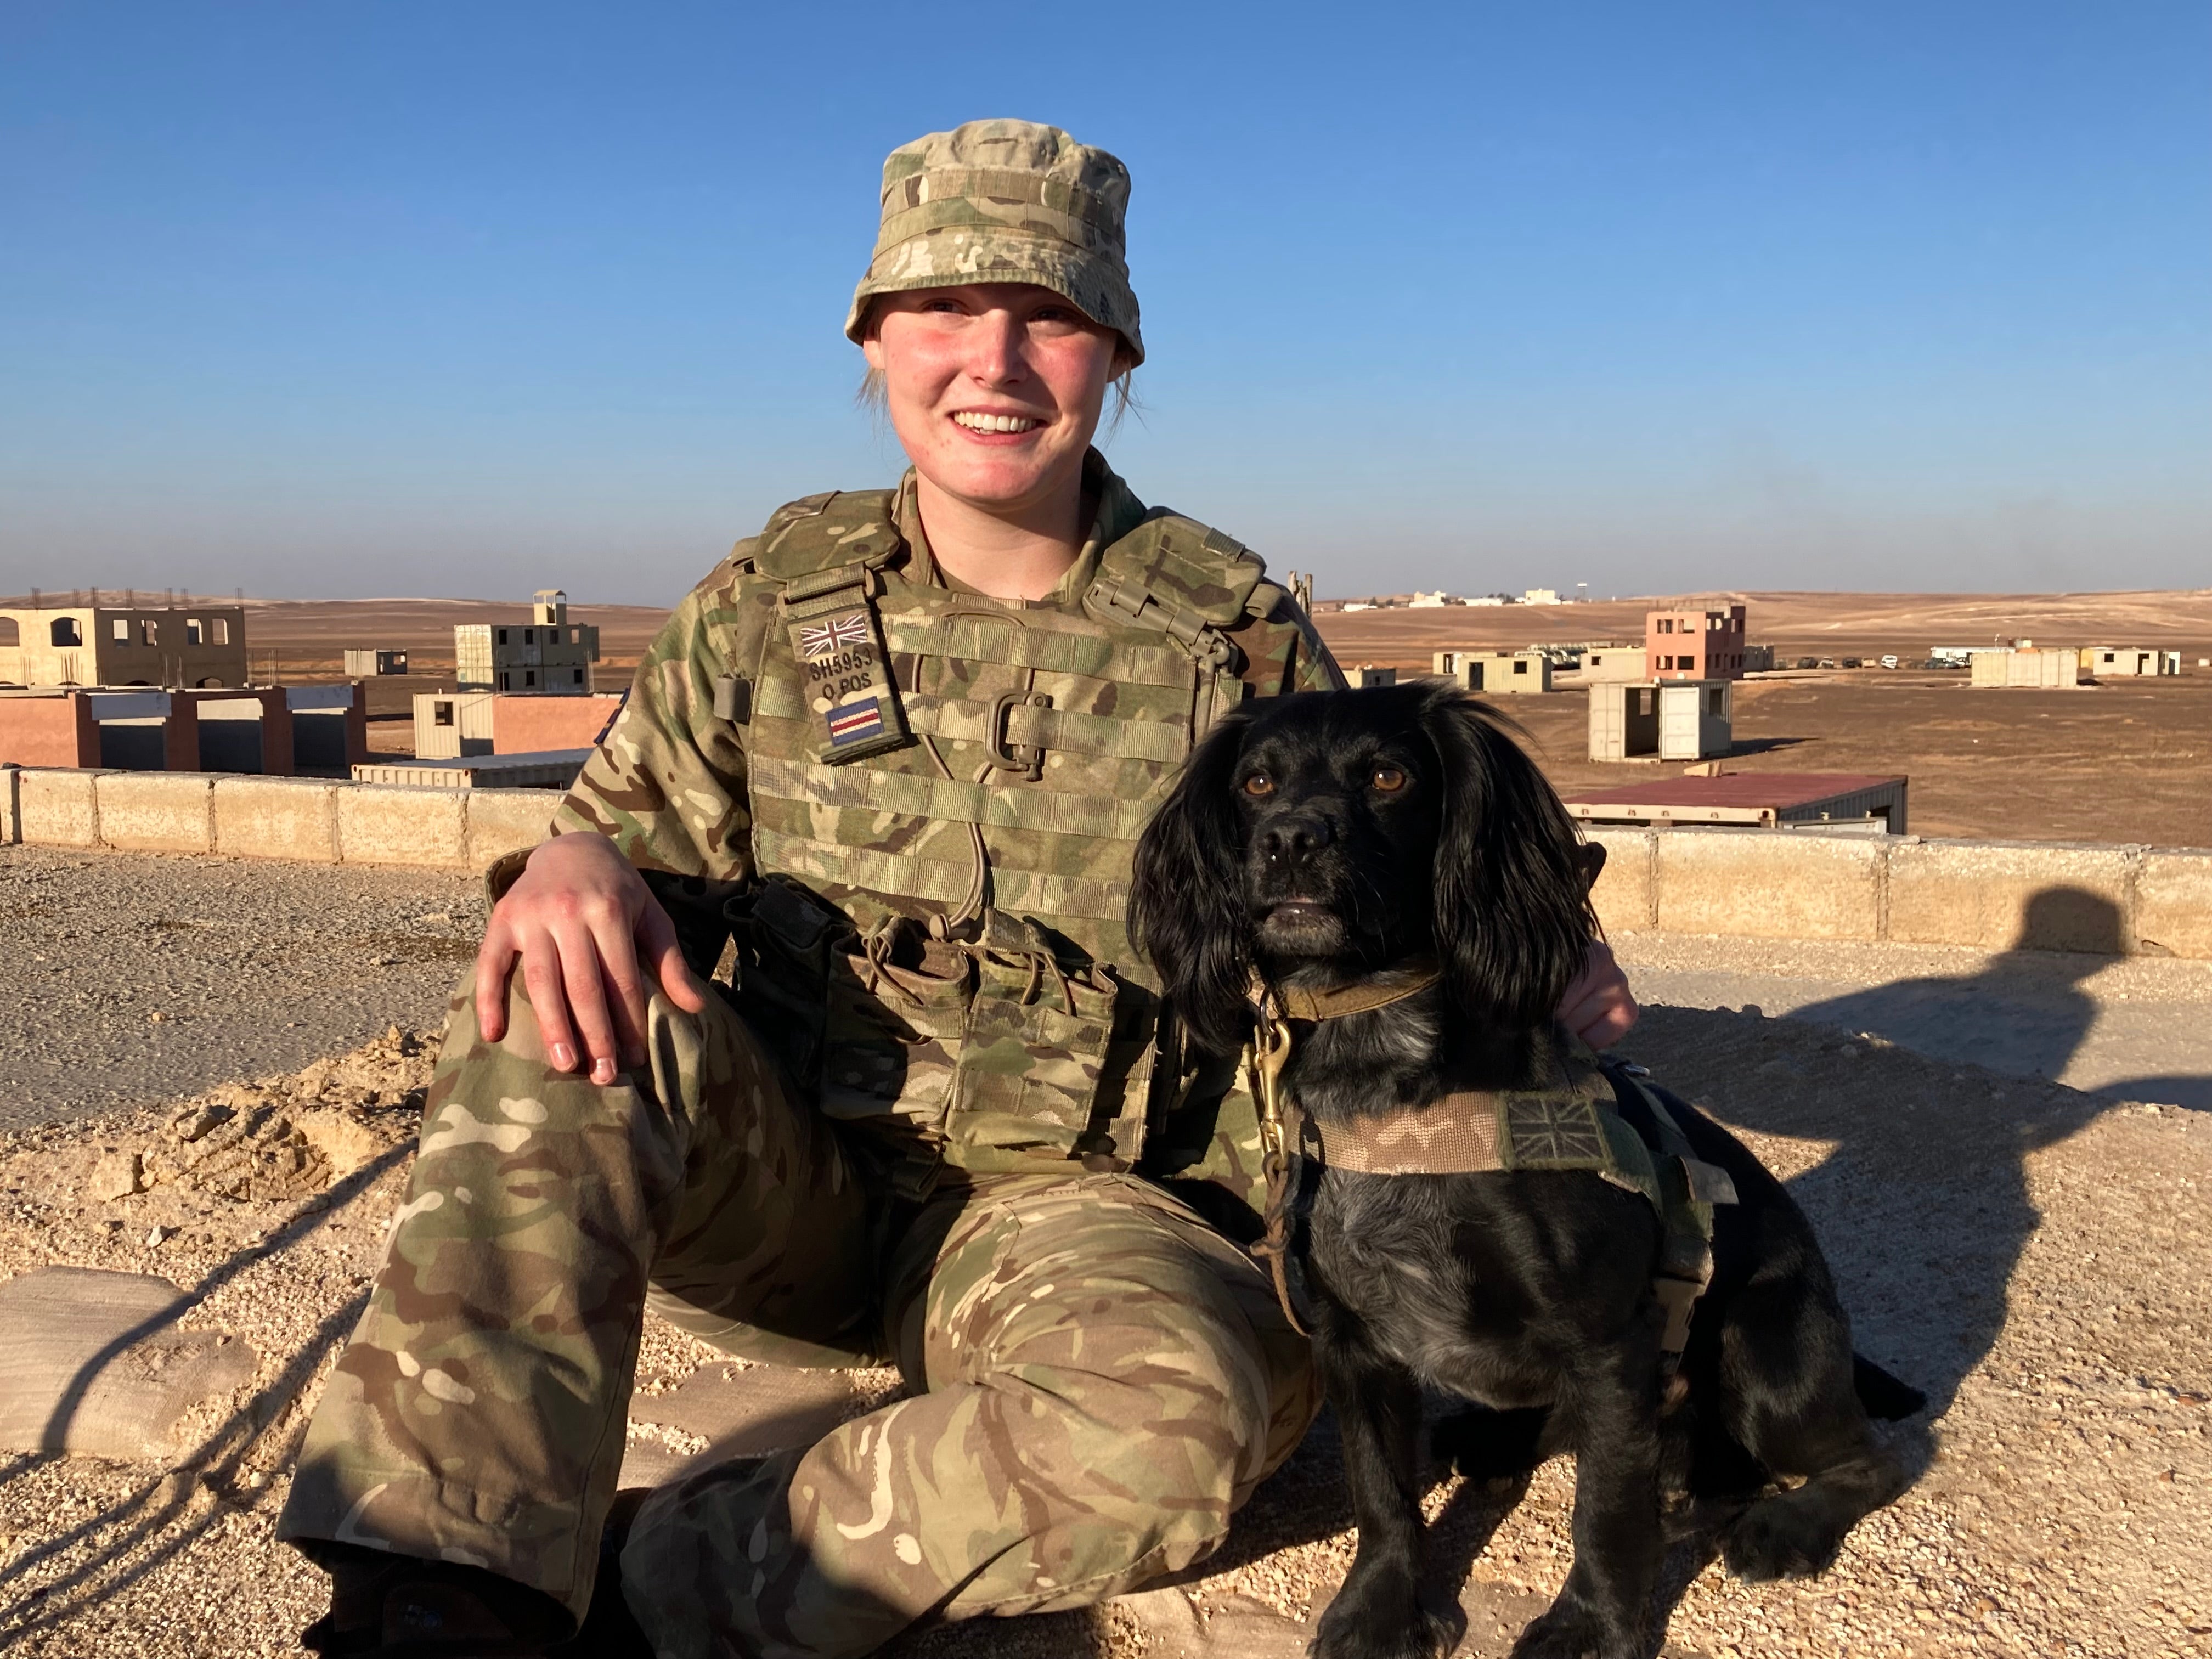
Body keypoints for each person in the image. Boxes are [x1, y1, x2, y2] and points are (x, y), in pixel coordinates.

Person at [278, 119, 1640, 1659]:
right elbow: (621, 847)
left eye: (1049, 317)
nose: (992, 361)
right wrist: (574, 860)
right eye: (942, 311)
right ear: (874, 339)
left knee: (1170, 1438)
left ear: (1116, 352)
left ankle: (619, 1590)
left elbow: (1411, 843)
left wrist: (1556, 952)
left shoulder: (1225, 635)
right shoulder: (767, 609)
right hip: (794, 1190)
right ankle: (437, 1588)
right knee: (553, 1004)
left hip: (1092, 1221)